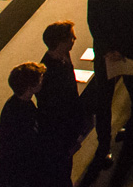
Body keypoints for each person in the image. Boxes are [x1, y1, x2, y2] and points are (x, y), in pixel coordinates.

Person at [87, 0, 133, 168]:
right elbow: (93, 23)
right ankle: (103, 146)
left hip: (128, 49)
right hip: (107, 53)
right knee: (103, 100)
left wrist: (119, 50)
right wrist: (109, 50)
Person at [37, 20, 83, 187]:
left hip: (66, 127)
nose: (74, 39)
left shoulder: (64, 56)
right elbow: (54, 109)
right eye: (71, 37)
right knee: (60, 174)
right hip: (57, 133)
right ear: (60, 42)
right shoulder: (48, 72)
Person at [0, 61, 45, 187]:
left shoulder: (17, 104)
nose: (42, 82)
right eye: (39, 80)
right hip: (19, 173)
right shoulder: (20, 112)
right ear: (29, 87)